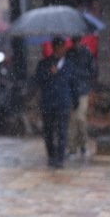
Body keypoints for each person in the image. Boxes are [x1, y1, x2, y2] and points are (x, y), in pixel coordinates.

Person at [34, 36, 78, 168]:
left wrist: (75, 101)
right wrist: (49, 73)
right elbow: (38, 80)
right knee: (48, 131)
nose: (63, 49)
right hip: (48, 102)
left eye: (64, 47)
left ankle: (60, 157)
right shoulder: (44, 63)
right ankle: (51, 155)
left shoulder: (69, 65)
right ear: (55, 48)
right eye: (60, 46)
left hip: (63, 102)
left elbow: (73, 84)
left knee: (62, 130)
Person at [66, 35, 97, 157]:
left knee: (81, 118)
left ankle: (83, 144)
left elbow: (93, 70)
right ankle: (72, 148)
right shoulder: (69, 54)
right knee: (72, 121)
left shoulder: (86, 53)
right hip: (70, 90)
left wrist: (82, 76)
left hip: (83, 90)